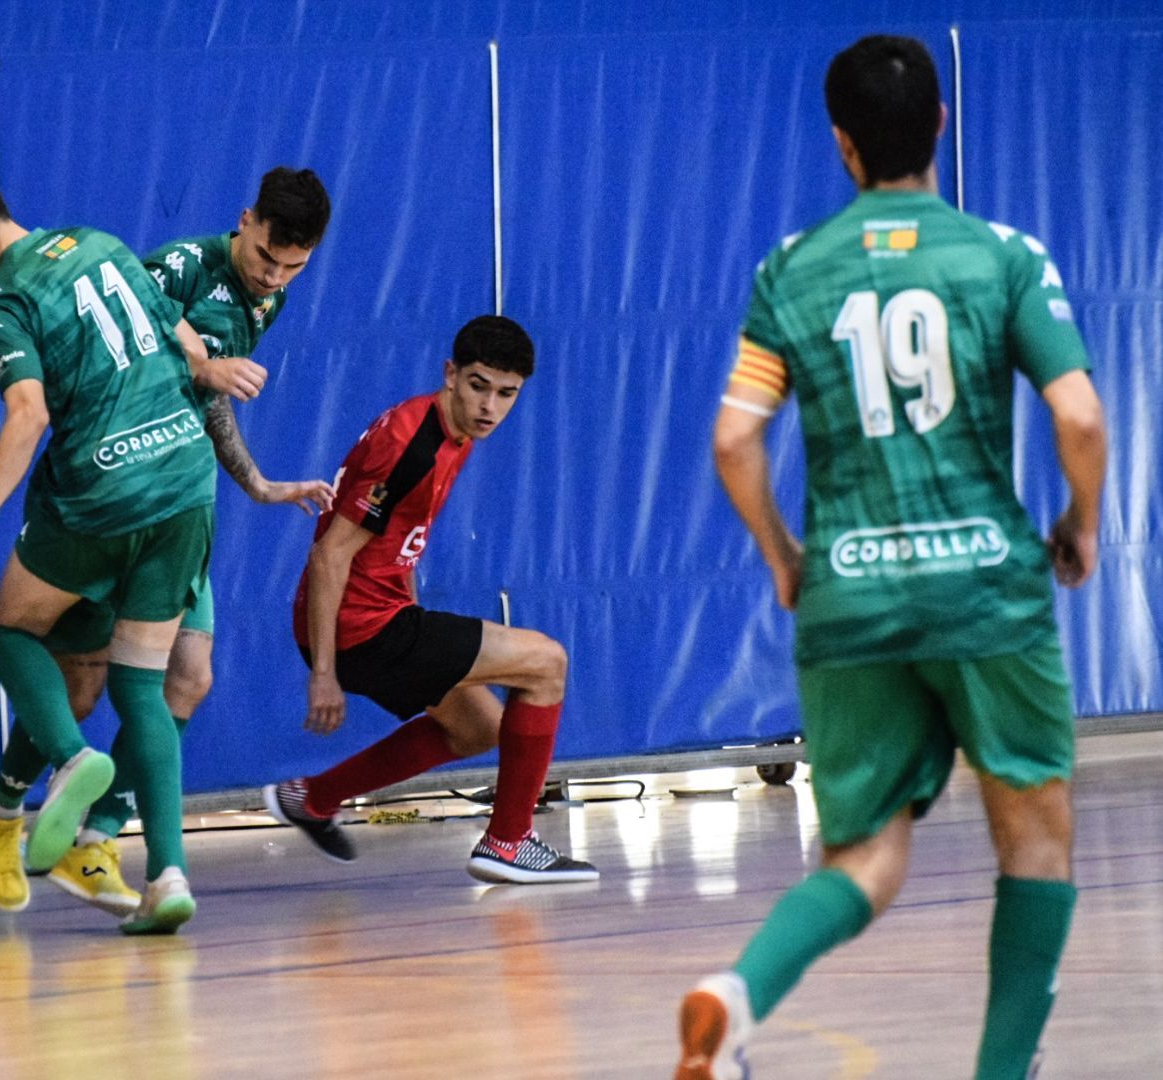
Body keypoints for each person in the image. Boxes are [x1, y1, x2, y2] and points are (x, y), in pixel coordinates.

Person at [675, 35, 1106, 1080]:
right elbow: (1080, 416)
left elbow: (735, 440)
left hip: (849, 598)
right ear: (942, 128)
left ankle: (737, 999)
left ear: (842, 145)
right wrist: (1081, 524)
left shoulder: (792, 268)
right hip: (986, 592)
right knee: (1036, 845)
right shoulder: (1002, 254)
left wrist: (784, 555)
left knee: (864, 857)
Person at [0, 158, 226, 934]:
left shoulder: (2, 299)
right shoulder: (104, 243)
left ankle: (70, 762)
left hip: (103, 488)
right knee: (138, 686)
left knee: (12, 627)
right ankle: (167, 877)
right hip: (187, 478)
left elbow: (28, 414)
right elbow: (187, 346)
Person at [42, 166, 335, 917]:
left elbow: (208, 399)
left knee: (189, 677)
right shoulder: (183, 266)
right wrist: (201, 360)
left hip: (180, 499)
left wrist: (260, 483)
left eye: (292, 265)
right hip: (115, 487)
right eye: (266, 253)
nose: (274, 273)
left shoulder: (266, 296)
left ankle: (99, 835)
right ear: (245, 219)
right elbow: (125, 309)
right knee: (83, 682)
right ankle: (5, 806)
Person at [263, 315, 598, 885]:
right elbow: (329, 557)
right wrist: (324, 672)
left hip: (381, 615)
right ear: (450, 374)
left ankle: (311, 798)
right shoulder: (409, 445)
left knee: (478, 727)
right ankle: (508, 842)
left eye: (506, 393)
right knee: (547, 664)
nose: (489, 405)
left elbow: (398, 539)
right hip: (360, 627)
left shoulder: (453, 432)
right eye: (477, 385)